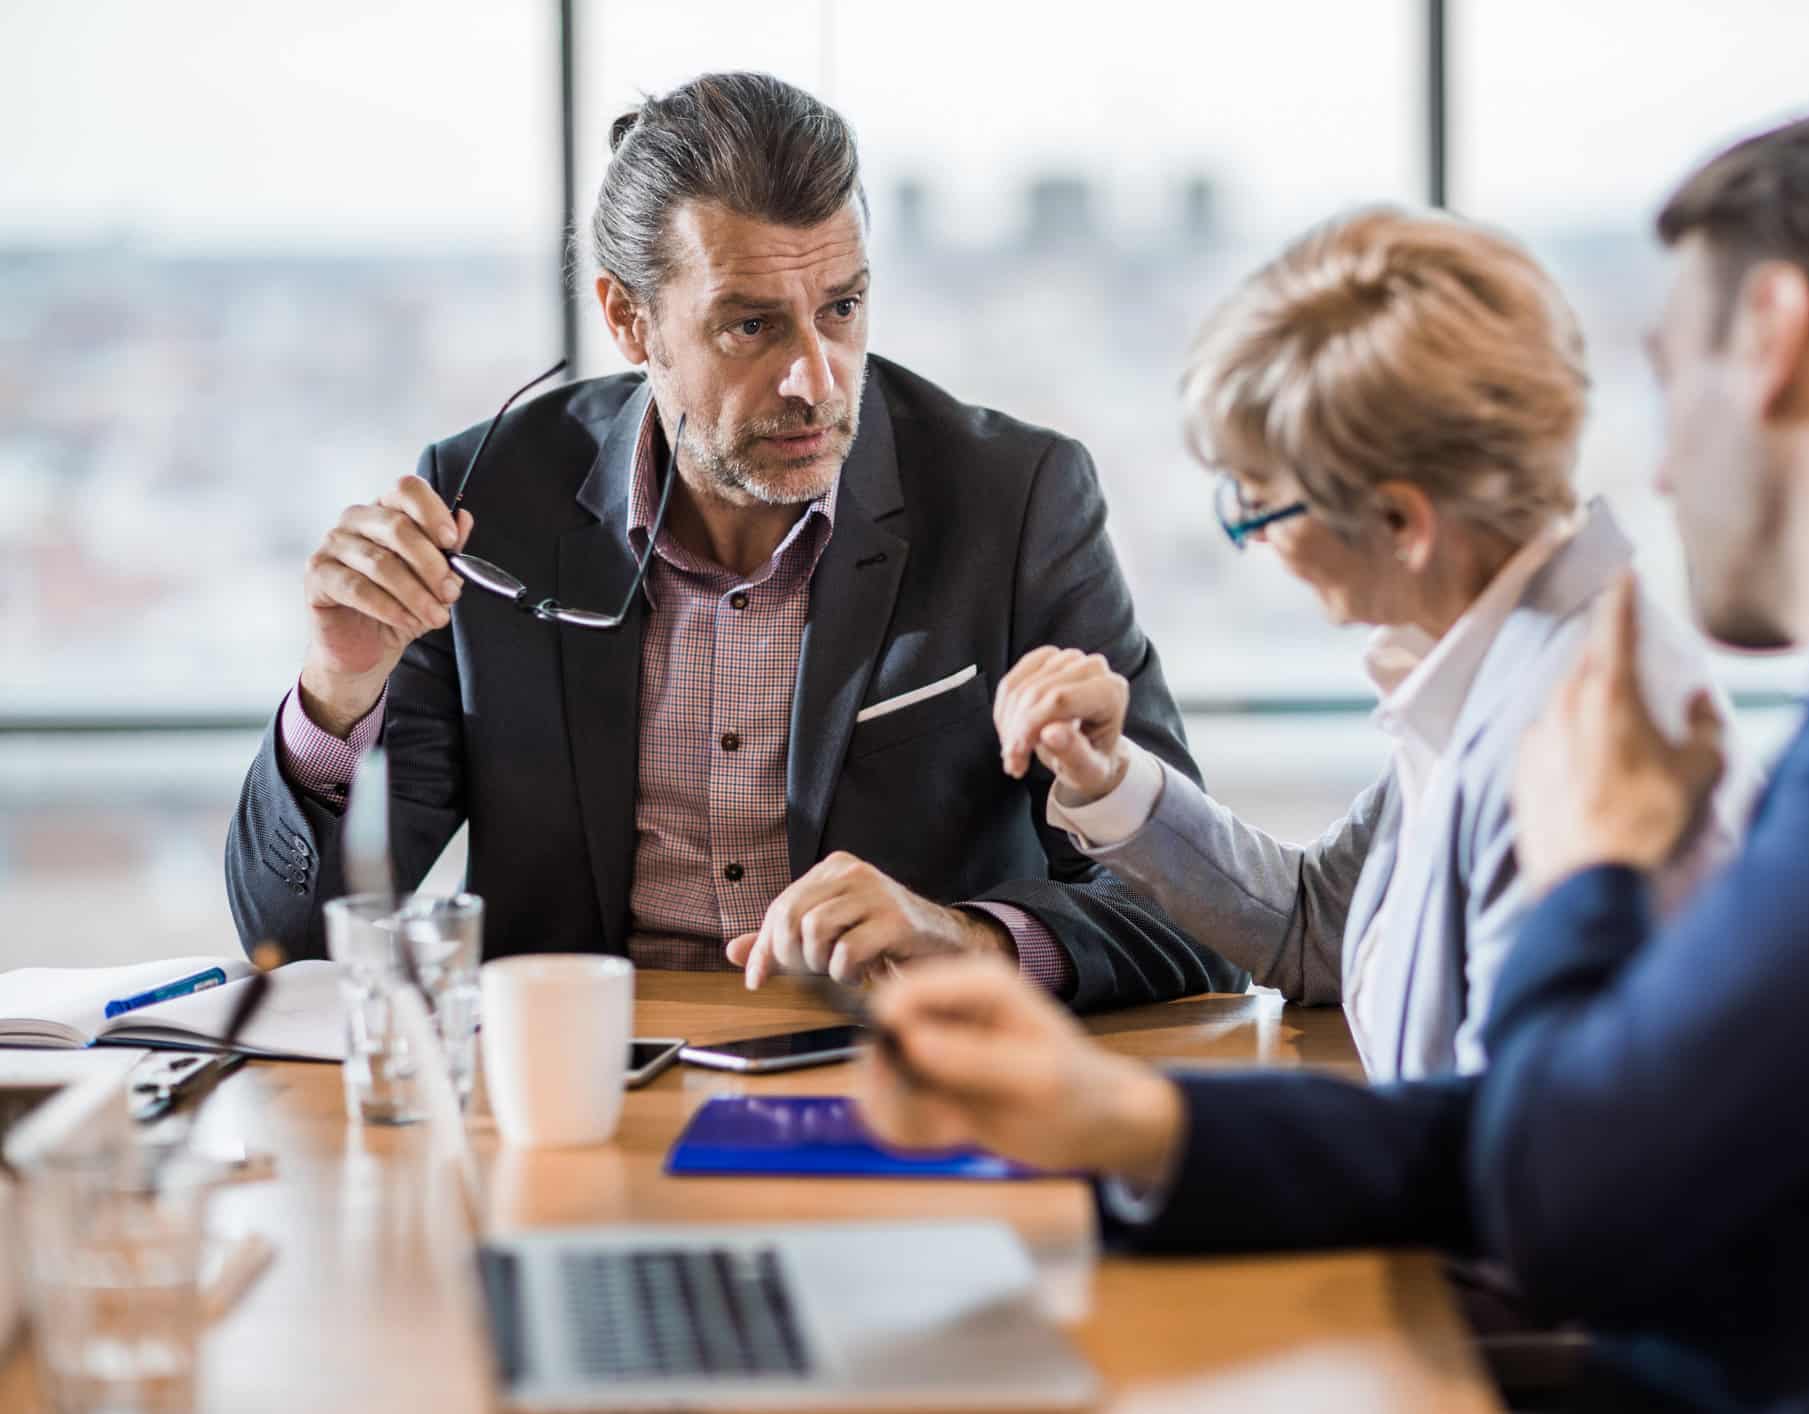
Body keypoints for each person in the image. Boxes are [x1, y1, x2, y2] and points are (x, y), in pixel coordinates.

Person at [856, 105, 1809, 1411]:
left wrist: (1587, 874)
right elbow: (1593, 1124)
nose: (1666, 471)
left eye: (1669, 369)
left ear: (1773, 332)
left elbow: (1569, 1186)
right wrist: (1128, 1123)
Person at [225, 71, 1243, 1011]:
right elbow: (288, 943)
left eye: (841, 308)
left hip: (897, 1089)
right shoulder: (490, 498)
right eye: (751, 327)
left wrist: (968, 938)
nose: (816, 378)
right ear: (629, 321)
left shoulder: (1012, 500)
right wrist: (338, 688)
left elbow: (1199, 913)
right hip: (578, 1101)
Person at [990, 208, 1750, 1079]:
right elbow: (1322, 929)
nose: (1253, 540)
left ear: (1399, 520)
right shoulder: (1494, 659)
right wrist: (1107, 778)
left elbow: (1514, 1142)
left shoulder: (1581, 730)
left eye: (1259, 503)